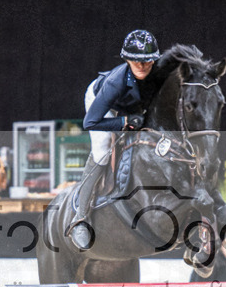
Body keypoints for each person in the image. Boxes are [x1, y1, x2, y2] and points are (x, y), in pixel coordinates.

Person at [67, 29, 163, 250]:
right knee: (102, 152)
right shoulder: (115, 83)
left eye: (148, 60)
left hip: (132, 107)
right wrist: (124, 123)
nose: (142, 65)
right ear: (127, 59)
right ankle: (80, 218)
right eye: (136, 60)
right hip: (103, 108)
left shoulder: (158, 76)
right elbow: (90, 122)